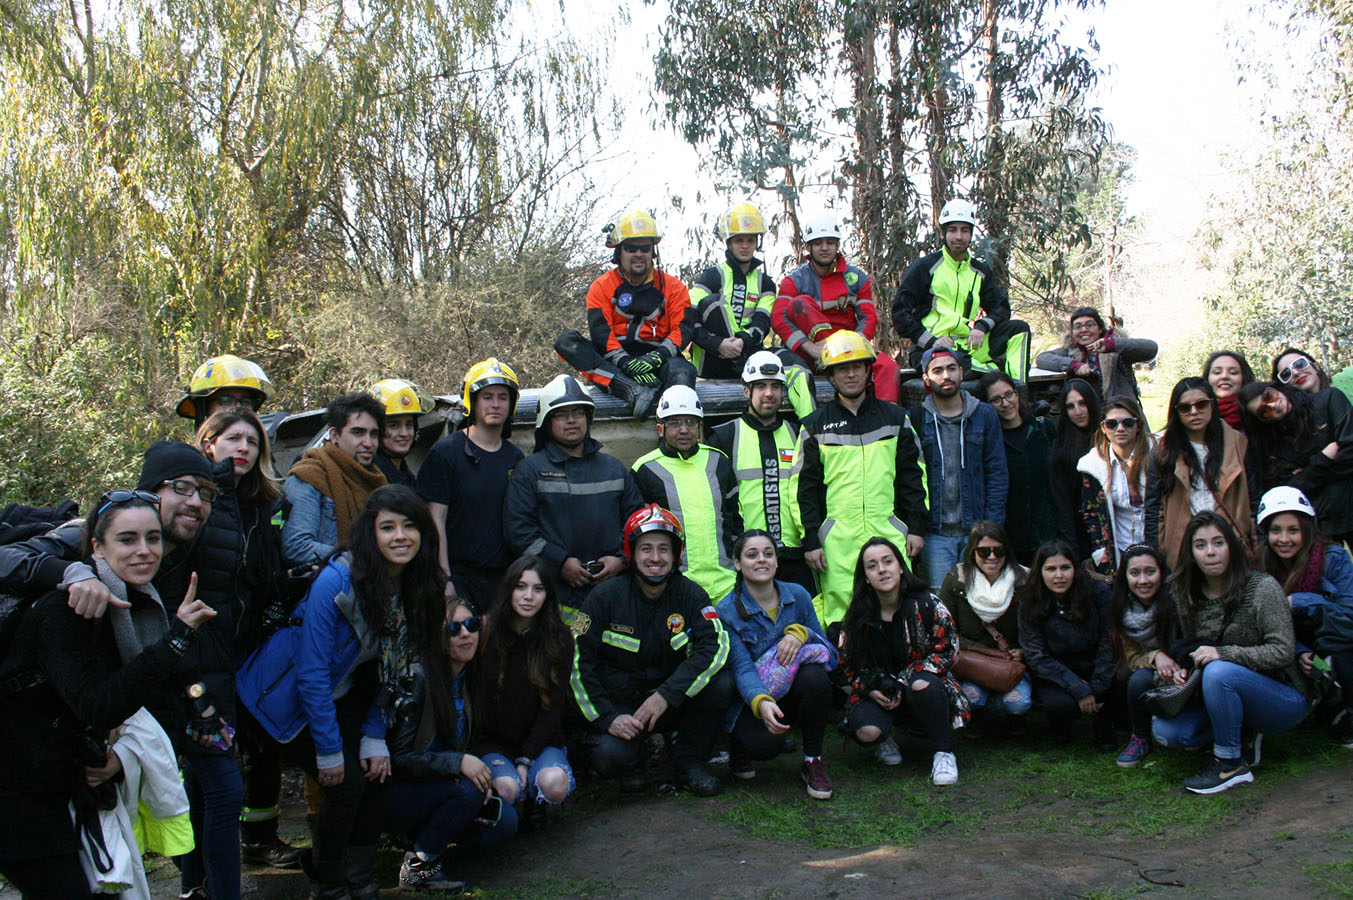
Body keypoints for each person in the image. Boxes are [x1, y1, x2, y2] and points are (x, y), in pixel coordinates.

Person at [0, 442, 245, 900]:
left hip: (52, 782)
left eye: (152, 540)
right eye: (128, 540)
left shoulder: (138, 602)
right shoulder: (70, 604)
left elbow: (133, 695)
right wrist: (176, 639)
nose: (144, 550)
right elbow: (99, 701)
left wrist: (120, 757)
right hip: (16, 789)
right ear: (96, 545)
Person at [236, 485, 444, 899]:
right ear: (371, 533)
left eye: (409, 526)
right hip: (279, 699)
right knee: (344, 783)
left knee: (376, 775)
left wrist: (372, 735)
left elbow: (393, 671)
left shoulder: (414, 587)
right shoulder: (337, 580)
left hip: (343, 692)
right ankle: (329, 885)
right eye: (388, 527)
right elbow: (311, 672)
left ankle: (358, 880)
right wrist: (329, 750)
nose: (400, 536)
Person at [194, 410, 303, 869]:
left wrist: (284, 592)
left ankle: (260, 836)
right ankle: (198, 865)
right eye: (232, 439)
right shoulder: (194, 499)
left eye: (252, 442)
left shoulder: (266, 504)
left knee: (262, 745)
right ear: (208, 444)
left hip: (250, 645)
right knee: (208, 756)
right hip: (201, 648)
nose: (243, 448)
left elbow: (265, 572)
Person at [570, 504, 733, 797]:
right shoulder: (602, 598)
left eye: (664, 549)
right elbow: (576, 660)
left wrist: (667, 695)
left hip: (672, 702)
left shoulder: (692, 595)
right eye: (646, 549)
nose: (655, 558)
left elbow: (716, 646)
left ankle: (688, 763)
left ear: (676, 555)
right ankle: (636, 762)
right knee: (610, 757)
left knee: (722, 684)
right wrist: (607, 718)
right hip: (624, 708)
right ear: (631, 553)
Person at [1152, 512, 1307, 794]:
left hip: (1280, 696)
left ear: (1231, 547)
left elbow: (1283, 651)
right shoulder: (1184, 594)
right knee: (1169, 733)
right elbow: (1188, 648)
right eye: (1200, 546)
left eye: (1218, 543)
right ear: (1191, 553)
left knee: (1219, 671)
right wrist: (1182, 672)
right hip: (1220, 691)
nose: (1210, 552)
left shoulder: (1261, 588)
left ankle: (1230, 763)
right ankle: (1242, 733)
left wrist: (1224, 654)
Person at [384, 598, 518, 894]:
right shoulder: (418, 677)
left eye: (471, 626)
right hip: (399, 791)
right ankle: (419, 865)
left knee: (504, 823)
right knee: (468, 789)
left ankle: (425, 837)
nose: (466, 635)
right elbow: (400, 758)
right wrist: (458, 764)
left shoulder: (468, 677)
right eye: (454, 629)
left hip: (440, 786)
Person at [795, 330, 928, 626]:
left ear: (869, 369)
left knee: (897, 613)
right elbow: (803, 490)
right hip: (836, 542)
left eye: (857, 366)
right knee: (843, 619)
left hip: (889, 533)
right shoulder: (815, 425)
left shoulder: (895, 418)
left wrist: (916, 527)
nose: (851, 374)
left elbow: (913, 477)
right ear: (831, 375)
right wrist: (812, 540)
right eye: (843, 368)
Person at [504, 374, 644, 620]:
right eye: (561, 414)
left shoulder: (613, 468)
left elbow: (637, 523)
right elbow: (518, 532)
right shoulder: (530, 471)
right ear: (546, 421)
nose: (571, 421)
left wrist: (621, 561)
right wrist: (559, 564)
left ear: (588, 418)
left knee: (609, 653)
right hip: (555, 599)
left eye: (578, 413)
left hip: (613, 594)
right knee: (564, 654)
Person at [716, 531, 838, 800]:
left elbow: (828, 651)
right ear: (737, 563)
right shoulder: (726, 611)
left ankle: (813, 760)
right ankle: (740, 745)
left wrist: (801, 633)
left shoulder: (799, 595)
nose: (761, 560)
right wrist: (760, 702)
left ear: (776, 560)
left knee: (816, 677)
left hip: (792, 691)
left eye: (768, 554)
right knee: (766, 748)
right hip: (752, 698)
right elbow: (741, 668)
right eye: (752, 555)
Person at [839, 537, 967, 785]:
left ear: (900, 566)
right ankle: (884, 737)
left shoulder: (928, 604)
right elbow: (848, 662)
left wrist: (903, 682)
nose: (882, 570)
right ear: (865, 576)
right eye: (872, 566)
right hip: (880, 691)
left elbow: (948, 652)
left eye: (888, 562)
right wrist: (868, 687)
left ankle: (943, 752)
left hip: (923, 685)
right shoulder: (858, 612)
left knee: (922, 686)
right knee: (866, 731)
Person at [554, 208, 696, 417]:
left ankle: (676, 424)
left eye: (645, 249)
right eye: (631, 248)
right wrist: (626, 364)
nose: (639, 254)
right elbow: (601, 333)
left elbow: (683, 329)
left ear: (652, 252)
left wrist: (656, 358)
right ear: (618, 252)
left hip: (660, 358)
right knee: (567, 342)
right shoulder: (601, 287)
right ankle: (630, 390)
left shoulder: (674, 287)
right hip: (615, 364)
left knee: (684, 371)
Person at [689, 202, 816, 417]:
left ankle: (812, 429)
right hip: (713, 361)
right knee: (714, 302)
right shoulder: (711, 276)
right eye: (739, 240)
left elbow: (762, 321)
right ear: (728, 242)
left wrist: (742, 342)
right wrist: (718, 344)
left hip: (749, 356)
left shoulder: (765, 282)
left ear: (758, 241)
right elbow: (689, 319)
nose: (745, 246)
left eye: (750, 240)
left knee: (796, 365)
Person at [417, 358, 524, 607]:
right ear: (472, 401)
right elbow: (435, 523)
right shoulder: (445, 454)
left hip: (502, 581)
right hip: (458, 577)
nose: (495, 404)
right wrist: (445, 580)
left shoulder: (515, 457)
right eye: (487, 397)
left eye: (502, 397)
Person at [475, 557, 576, 821]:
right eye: (521, 587)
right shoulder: (485, 631)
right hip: (493, 742)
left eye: (538, 589)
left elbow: (553, 706)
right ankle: (513, 807)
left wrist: (527, 758)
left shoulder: (560, 638)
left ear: (548, 595)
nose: (528, 596)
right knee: (506, 789)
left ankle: (536, 798)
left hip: (541, 741)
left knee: (554, 783)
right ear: (508, 589)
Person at [707, 351, 814, 596]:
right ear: (747, 391)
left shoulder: (798, 434)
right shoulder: (724, 436)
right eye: (761, 386)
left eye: (776, 386)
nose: (769, 393)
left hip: (795, 556)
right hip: (748, 558)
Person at [892, 198, 1031, 380]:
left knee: (1019, 329)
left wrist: (982, 326)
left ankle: (1018, 391)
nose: (959, 236)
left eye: (965, 230)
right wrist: (931, 341)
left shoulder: (979, 271)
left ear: (971, 234)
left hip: (968, 345)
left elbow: (1001, 308)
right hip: (931, 350)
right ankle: (999, 373)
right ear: (943, 233)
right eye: (953, 230)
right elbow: (899, 313)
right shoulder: (925, 267)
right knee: (957, 366)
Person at [1256, 487, 1353, 747]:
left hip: (1333, 639)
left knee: (1340, 657)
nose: (1284, 539)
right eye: (1276, 530)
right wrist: (1299, 652)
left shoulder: (1334, 557)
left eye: (1293, 530)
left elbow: (1348, 613)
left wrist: (1297, 602)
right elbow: (1259, 624)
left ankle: (1345, 712)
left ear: (1307, 530)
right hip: (1290, 644)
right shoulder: (1260, 565)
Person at [772, 212, 901, 402]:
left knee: (888, 367)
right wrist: (810, 348)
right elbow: (778, 318)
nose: (824, 248)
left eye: (830, 242)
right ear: (808, 247)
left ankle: (886, 423)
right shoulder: (794, 280)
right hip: (810, 353)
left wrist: (854, 346)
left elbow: (869, 318)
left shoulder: (857, 278)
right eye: (818, 243)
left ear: (837, 245)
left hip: (851, 349)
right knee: (799, 303)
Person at [909, 347, 1008, 589]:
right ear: (926, 379)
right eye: (938, 370)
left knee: (982, 596)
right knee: (942, 602)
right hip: (935, 533)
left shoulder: (984, 415)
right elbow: (910, 479)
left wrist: (991, 529)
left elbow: (997, 474)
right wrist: (916, 528)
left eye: (951, 368)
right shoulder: (916, 418)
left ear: (961, 372)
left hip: (976, 530)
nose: (946, 375)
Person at [632, 385, 741, 602]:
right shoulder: (645, 469)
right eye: (674, 422)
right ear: (660, 428)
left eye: (690, 422)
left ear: (700, 426)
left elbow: (735, 519)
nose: (684, 430)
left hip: (726, 582)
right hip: (673, 584)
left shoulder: (718, 460)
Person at [1144, 377, 1256, 569]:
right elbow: (1153, 505)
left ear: (1212, 404)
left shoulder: (1236, 442)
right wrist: (1156, 549)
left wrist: (1256, 536)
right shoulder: (1164, 449)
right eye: (1185, 408)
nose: (1194, 412)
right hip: (1182, 545)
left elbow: (1253, 495)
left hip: (1229, 540)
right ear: (1176, 412)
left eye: (1201, 405)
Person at [1017, 540, 1115, 747]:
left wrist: (1096, 687)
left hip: (1096, 665)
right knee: (1060, 705)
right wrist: (1079, 688)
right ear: (1040, 572)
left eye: (1065, 568)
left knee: (1122, 683)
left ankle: (1106, 724)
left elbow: (1109, 639)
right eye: (1051, 569)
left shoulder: (1098, 592)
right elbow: (1036, 655)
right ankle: (1061, 729)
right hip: (1055, 671)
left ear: (1075, 569)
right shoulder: (1029, 599)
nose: (1059, 576)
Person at [938, 522, 1032, 723]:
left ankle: (1002, 712)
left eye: (999, 551)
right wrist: (980, 652)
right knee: (972, 698)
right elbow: (946, 631)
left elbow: (1038, 627)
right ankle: (981, 716)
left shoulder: (1025, 581)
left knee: (1018, 703)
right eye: (984, 551)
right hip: (974, 664)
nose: (992, 557)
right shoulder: (956, 582)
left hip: (1012, 663)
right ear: (972, 552)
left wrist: (1024, 650)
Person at [1240, 380, 1353, 543]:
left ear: (1275, 388)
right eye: (1264, 411)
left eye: (1268, 396)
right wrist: (1324, 458)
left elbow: (1350, 450)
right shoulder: (1273, 445)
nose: (1273, 406)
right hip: (1321, 522)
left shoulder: (1328, 400)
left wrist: (1307, 472)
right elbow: (1291, 490)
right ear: (1261, 420)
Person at [282, 392, 388, 566]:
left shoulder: (376, 480)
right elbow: (297, 546)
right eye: (358, 433)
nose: (368, 442)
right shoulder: (310, 476)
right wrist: (365, 559)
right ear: (335, 436)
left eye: (374, 434)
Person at [1108, 544, 1181, 768]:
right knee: (1134, 678)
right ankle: (1140, 737)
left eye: (1150, 572)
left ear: (1162, 572)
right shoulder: (1121, 608)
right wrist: (1155, 656)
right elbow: (1132, 657)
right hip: (1153, 670)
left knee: (1180, 736)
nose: (1143, 581)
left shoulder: (1178, 600)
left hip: (1184, 669)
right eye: (1135, 573)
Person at [978, 372, 1058, 563]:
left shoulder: (1043, 428)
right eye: (996, 400)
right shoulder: (989, 442)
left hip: (1048, 533)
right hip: (1011, 537)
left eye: (1009, 395)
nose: (1005, 404)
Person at [1036, 307, 1157, 425]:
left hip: (1123, 421)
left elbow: (1151, 348)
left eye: (1090, 325)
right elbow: (1042, 358)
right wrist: (1074, 365)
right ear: (1073, 333)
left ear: (1099, 329)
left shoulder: (1118, 352)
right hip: (1089, 422)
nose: (1084, 329)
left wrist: (1112, 345)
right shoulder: (1070, 352)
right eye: (1078, 327)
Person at [1078, 395, 1154, 575]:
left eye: (1127, 423)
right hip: (1119, 551)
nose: (1120, 429)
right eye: (1112, 424)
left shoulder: (1158, 455)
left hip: (1156, 546)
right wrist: (1100, 551)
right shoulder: (1092, 465)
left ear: (1138, 426)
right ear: (1103, 428)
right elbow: (1090, 513)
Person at [1049, 378, 1102, 547]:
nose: (1078, 411)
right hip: (1080, 534)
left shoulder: (1109, 438)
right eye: (1070, 407)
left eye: (1082, 404)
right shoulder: (1061, 448)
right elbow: (1062, 503)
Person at [175, 354, 276, 427]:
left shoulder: (263, 453)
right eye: (226, 400)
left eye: (246, 402)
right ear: (204, 409)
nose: (238, 408)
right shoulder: (188, 456)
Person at [368, 379, 435, 488]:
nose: (404, 433)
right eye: (393, 425)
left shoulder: (402, 472)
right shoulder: (373, 477)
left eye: (409, 425)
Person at [1203, 350, 1256, 430]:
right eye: (1217, 372)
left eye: (1233, 372)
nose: (1224, 376)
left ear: (1243, 378)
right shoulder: (1194, 414)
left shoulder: (1257, 414)